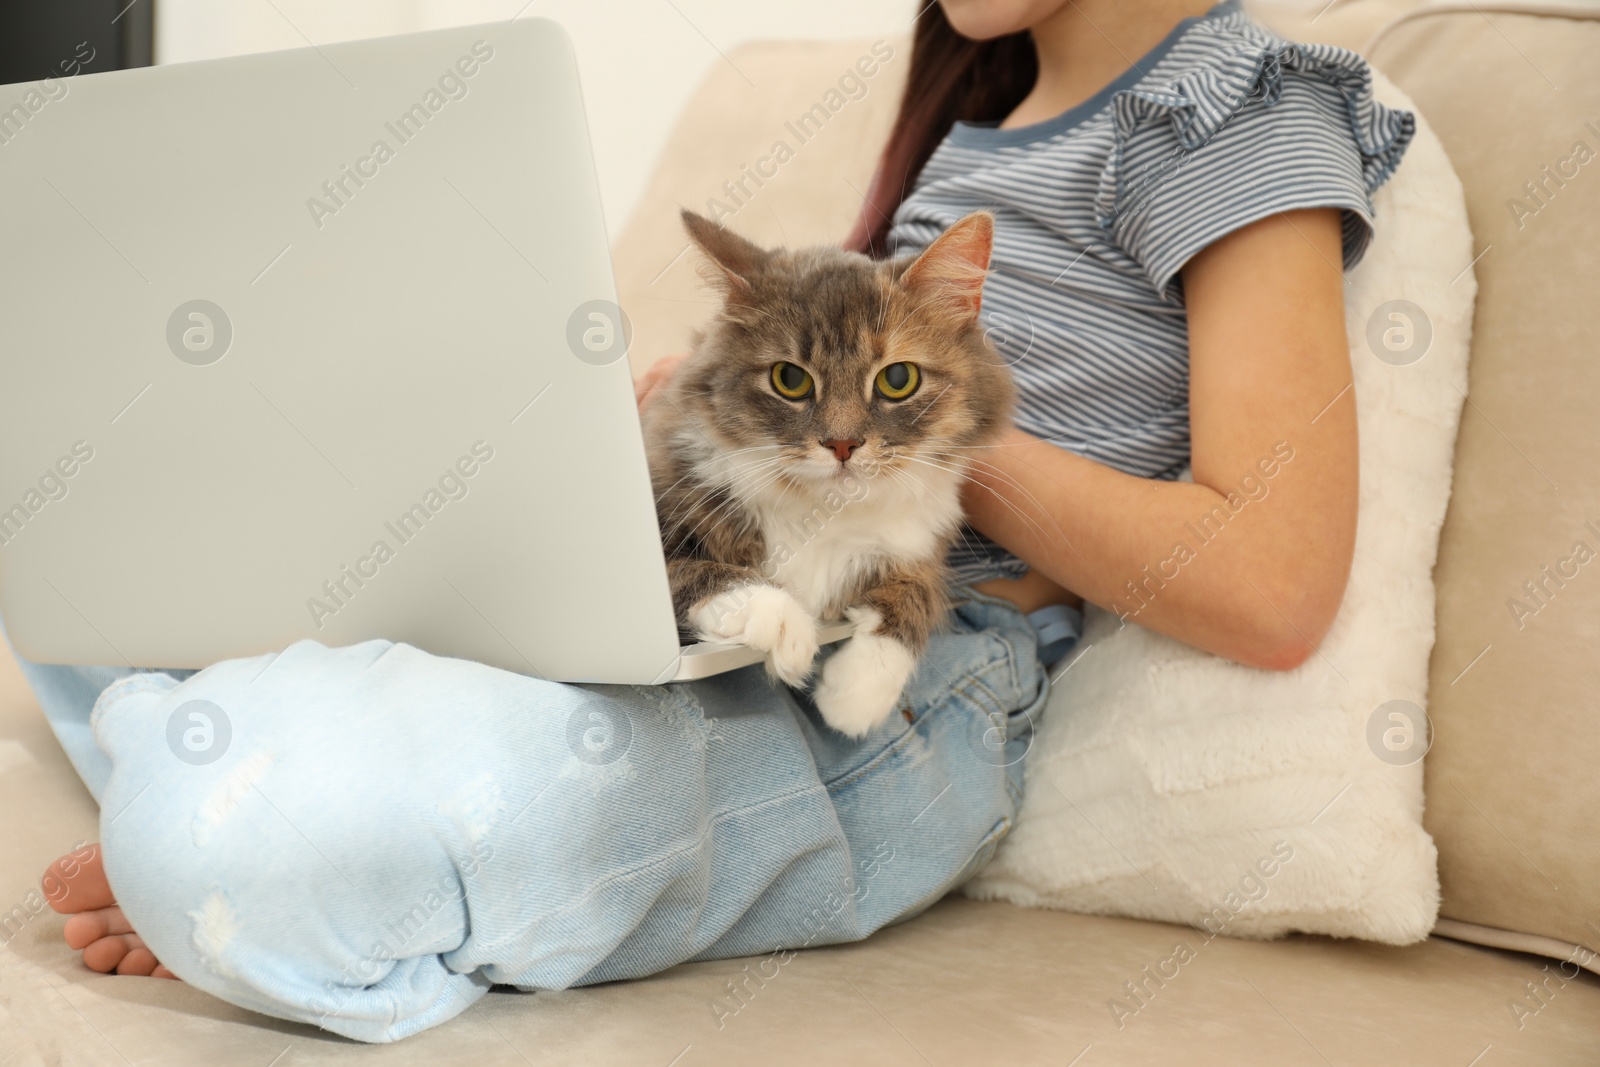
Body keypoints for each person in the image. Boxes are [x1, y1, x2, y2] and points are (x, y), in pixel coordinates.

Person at [27, 0, 1410, 1042]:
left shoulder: (1235, 105)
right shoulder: (982, 111)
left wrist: (915, 437)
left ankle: (236, 806)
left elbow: (1272, 584)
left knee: (252, 827)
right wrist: (711, 423)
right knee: (90, 548)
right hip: (728, 579)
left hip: (912, 667)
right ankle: (245, 779)